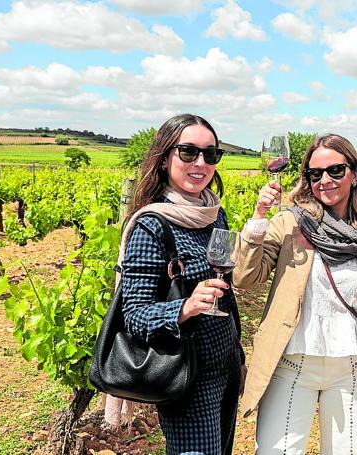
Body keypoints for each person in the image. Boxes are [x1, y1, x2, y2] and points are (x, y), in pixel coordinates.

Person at [233, 134, 357, 455]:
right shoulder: (291, 223)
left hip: (354, 367)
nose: (325, 180)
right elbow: (245, 277)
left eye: (335, 170)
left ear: (354, 173)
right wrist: (258, 216)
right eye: (314, 173)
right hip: (293, 363)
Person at [118, 113, 245, 454]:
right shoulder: (152, 226)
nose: (201, 162)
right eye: (188, 152)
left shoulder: (214, 212)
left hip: (227, 367)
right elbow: (135, 317)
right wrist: (186, 307)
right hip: (187, 376)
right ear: (164, 159)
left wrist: (238, 353)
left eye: (211, 154)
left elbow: (226, 289)